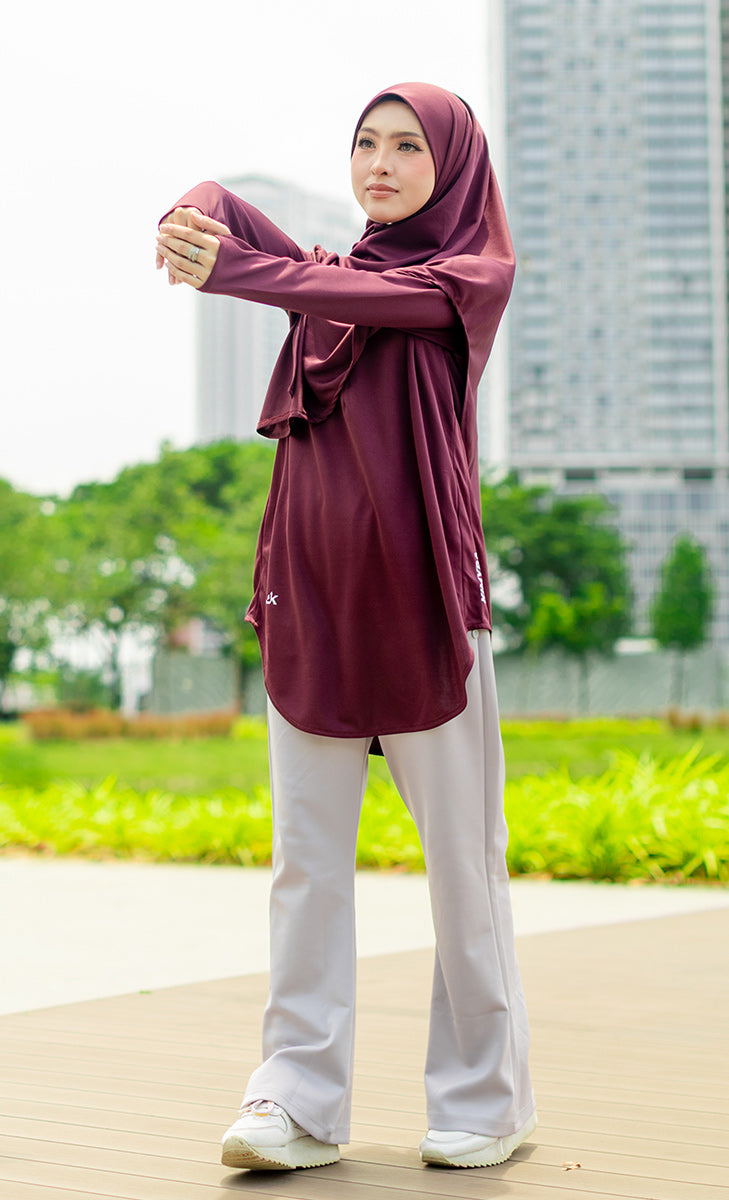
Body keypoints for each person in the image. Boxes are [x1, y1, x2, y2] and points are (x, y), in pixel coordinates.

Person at [156, 81, 536, 1173]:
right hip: (308, 601)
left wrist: (229, 271)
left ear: (450, 169)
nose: (380, 163)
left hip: (427, 610)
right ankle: (296, 1101)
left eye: (408, 147)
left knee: (463, 866)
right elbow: (220, 197)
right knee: (305, 866)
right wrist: (184, 221)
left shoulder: (465, 279)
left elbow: (333, 289)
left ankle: (487, 1099)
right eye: (366, 143)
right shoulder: (328, 284)